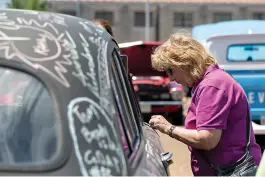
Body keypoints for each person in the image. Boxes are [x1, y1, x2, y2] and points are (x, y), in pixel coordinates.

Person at [149, 33, 262, 176]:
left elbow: (207, 139)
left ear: (184, 62)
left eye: (170, 70)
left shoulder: (212, 85)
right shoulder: (209, 81)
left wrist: (168, 128)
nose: (171, 78)